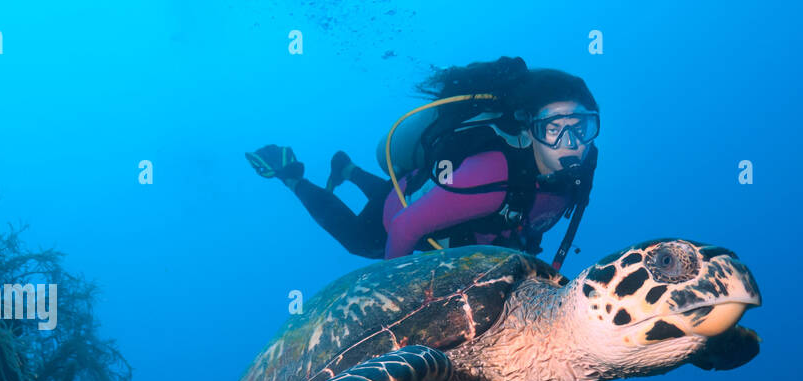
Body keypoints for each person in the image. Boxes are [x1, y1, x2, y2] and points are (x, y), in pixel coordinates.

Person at [245, 56, 599, 265]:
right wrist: (394, 299)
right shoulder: (492, 177)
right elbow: (403, 227)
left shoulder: (573, 179)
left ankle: (348, 170)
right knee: (361, 242)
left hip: (434, 195)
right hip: (400, 213)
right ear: (529, 129)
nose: (571, 143)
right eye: (554, 128)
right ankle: (290, 175)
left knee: (409, 193)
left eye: (580, 127)